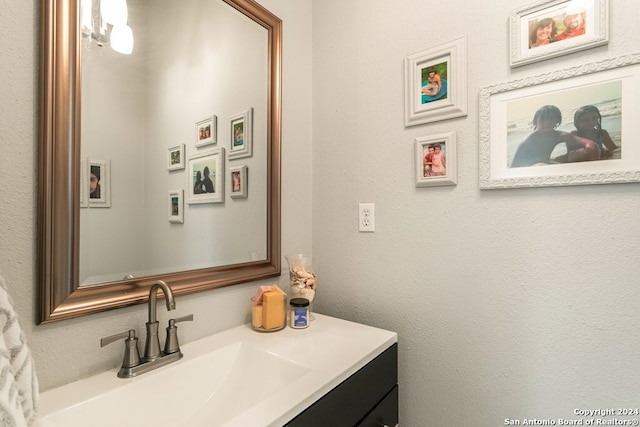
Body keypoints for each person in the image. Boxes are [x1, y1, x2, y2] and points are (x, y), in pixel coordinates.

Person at [511, 105, 600, 167]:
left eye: (551, 119)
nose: (547, 123)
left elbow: (590, 144)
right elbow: (514, 165)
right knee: (542, 166)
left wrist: (594, 162)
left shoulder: (558, 135)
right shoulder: (530, 140)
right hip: (530, 167)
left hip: (546, 163)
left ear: (557, 121)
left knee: (586, 151)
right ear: (535, 122)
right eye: (542, 120)